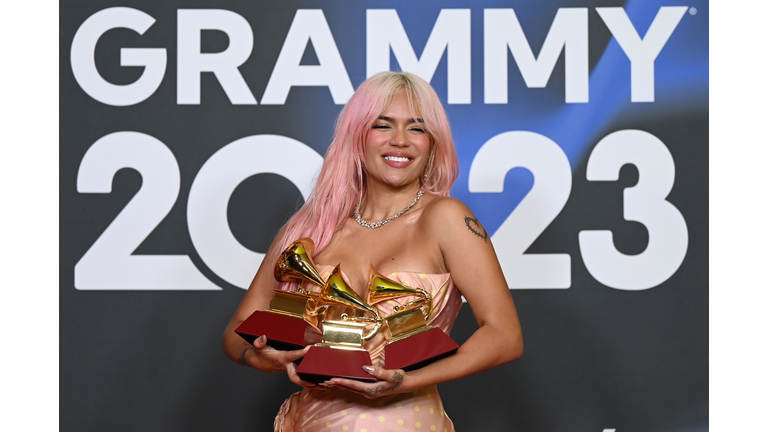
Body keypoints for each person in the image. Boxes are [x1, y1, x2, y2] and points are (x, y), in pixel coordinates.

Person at [222, 71, 523, 431]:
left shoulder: (446, 218)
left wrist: (407, 380)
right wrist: (262, 358)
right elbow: (236, 331)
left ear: (433, 143)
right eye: (383, 125)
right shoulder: (310, 226)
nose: (401, 141)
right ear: (357, 136)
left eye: (417, 128)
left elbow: (505, 337)